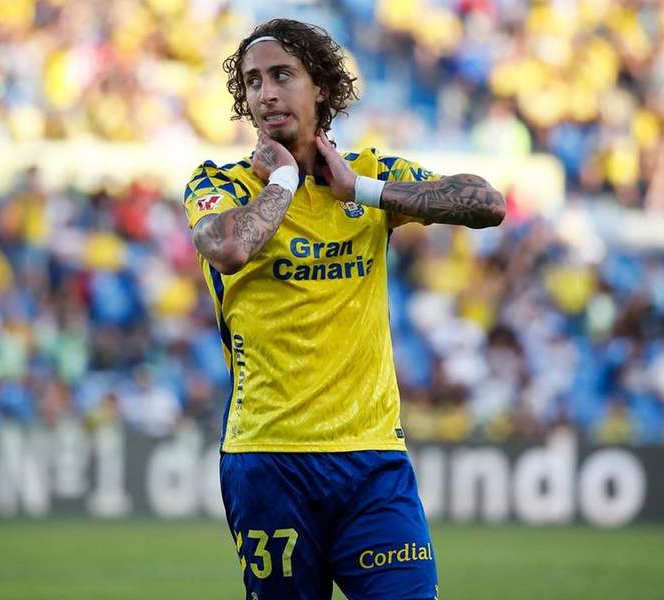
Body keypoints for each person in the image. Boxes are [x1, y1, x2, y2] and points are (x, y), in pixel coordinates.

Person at [183, 18, 505, 600]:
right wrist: (282, 181)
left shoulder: (372, 177)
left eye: (283, 75)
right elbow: (228, 248)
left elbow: (487, 203)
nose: (267, 92)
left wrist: (363, 190)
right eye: (254, 81)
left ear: (322, 88)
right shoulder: (221, 183)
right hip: (268, 459)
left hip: (373, 460)